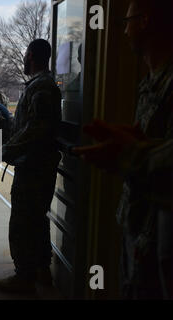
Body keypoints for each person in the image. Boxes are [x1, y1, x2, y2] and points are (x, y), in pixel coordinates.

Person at [74, 0, 172, 299]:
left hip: (162, 238)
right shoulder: (149, 82)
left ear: (145, 21)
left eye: (126, 22)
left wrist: (130, 155)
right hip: (137, 226)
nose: (124, 31)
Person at [0, 39, 62, 294]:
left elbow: (37, 128)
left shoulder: (42, 86)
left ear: (31, 55)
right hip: (37, 164)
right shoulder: (41, 85)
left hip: (34, 166)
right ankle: (43, 269)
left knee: (22, 221)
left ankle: (24, 276)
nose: (24, 59)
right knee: (37, 218)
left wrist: (6, 150)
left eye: (25, 55)